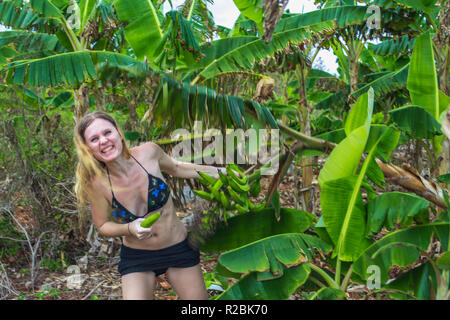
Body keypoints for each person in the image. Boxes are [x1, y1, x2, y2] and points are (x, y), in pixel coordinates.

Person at [73, 111, 224, 300]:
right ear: (87, 148)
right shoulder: (97, 184)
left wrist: (218, 171)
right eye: (94, 139)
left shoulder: (149, 153)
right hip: (138, 256)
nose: (103, 141)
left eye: (107, 133)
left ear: (119, 133)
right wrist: (130, 228)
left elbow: (177, 167)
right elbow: (103, 225)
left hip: (178, 248)